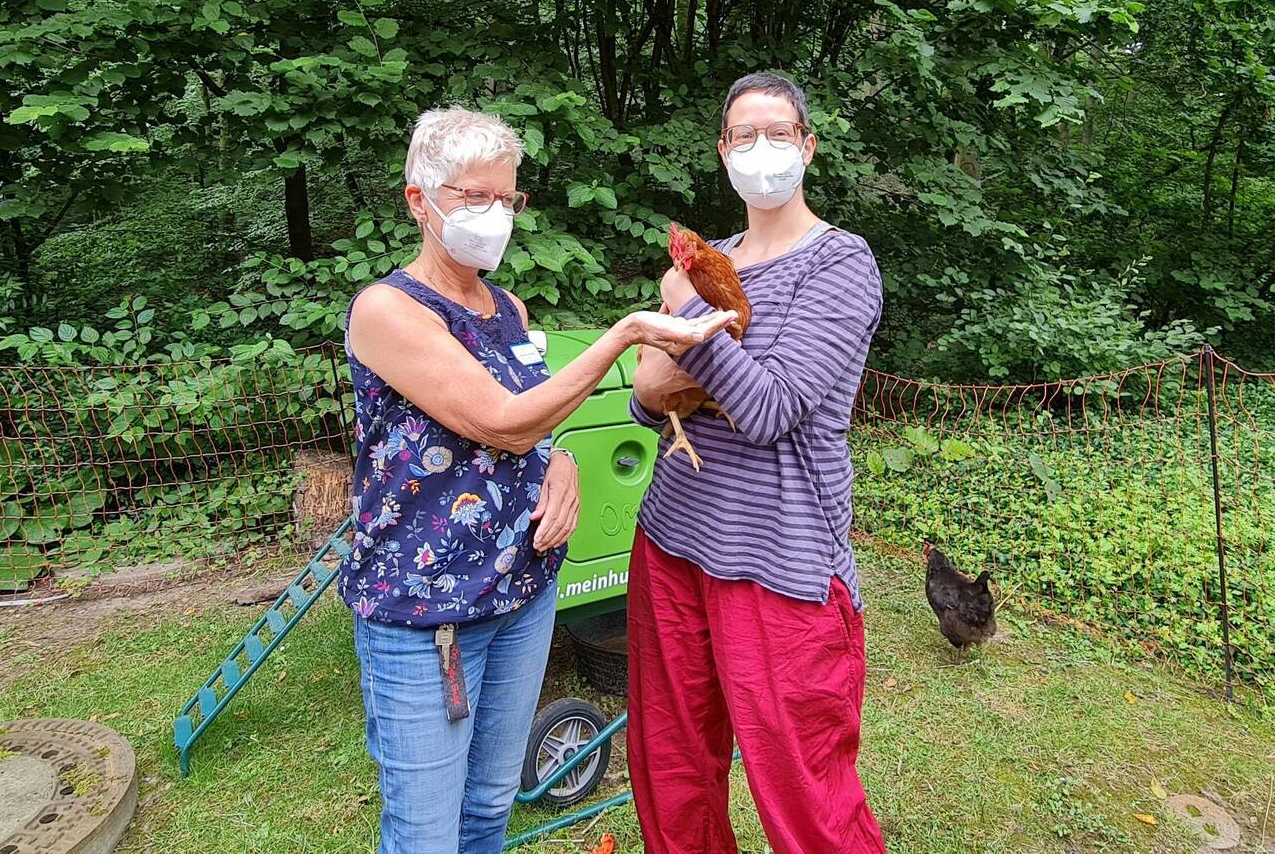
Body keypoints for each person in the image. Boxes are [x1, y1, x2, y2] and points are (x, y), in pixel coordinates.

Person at [343, 106, 735, 854]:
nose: (495, 215)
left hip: (522, 594)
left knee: (489, 805)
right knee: (424, 833)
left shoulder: (507, 308)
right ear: (418, 200)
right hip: (427, 615)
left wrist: (562, 463)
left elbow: (537, 431)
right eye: (472, 197)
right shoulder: (387, 311)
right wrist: (625, 333)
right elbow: (502, 420)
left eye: (507, 198)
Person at [628, 72, 889, 853]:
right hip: (673, 537)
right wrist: (677, 363)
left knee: (806, 796)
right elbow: (646, 398)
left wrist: (683, 315)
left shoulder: (841, 264)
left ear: (808, 147)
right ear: (723, 150)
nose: (761, 148)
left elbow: (771, 409)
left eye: (779, 132)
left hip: (779, 558)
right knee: (673, 773)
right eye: (745, 135)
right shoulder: (714, 257)